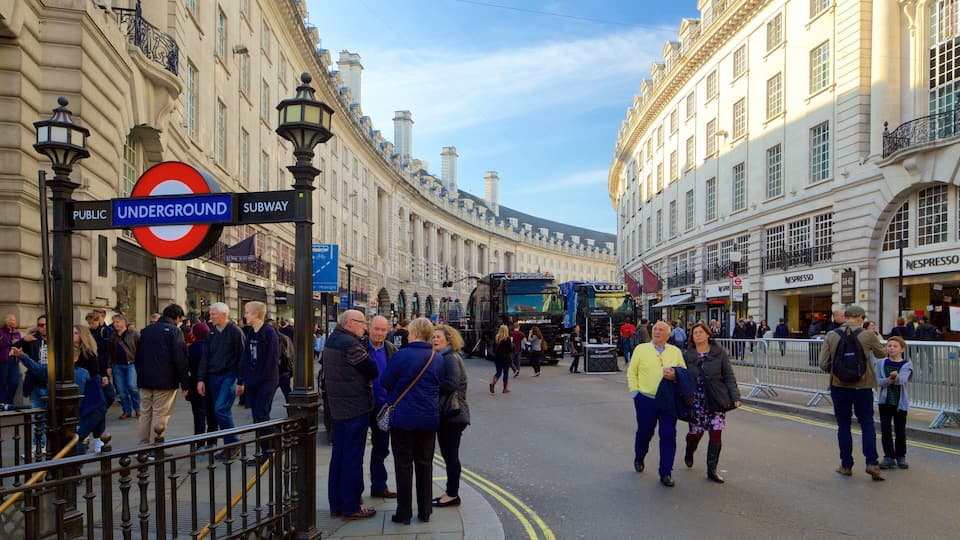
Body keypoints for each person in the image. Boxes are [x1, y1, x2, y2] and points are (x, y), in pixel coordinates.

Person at [380, 317, 443, 525]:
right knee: (425, 464)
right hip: (428, 419)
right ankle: (425, 511)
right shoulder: (437, 358)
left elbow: (386, 382)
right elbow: (440, 384)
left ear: (413, 334)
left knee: (403, 465)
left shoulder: (401, 356)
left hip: (403, 419)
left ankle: (404, 513)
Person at [818, 304, 887, 481]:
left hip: (839, 386)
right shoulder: (867, 335)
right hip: (863, 387)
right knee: (867, 424)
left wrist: (838, 373)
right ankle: (872, 463)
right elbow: (881, 354)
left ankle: (846, 465)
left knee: (843, 426)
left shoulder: (831, 335)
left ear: (845, 317)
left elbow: (823, 363)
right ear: (859, 318)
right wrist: (878, 341)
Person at [324, 309, 379, 520]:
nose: (365, 327)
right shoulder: (350, 344)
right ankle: (351, 506)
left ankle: (336, 503)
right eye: (362, 323)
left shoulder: (332, 340)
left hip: (338, 408)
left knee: (338, 457)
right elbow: (372, 370)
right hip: (355, 407)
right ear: (348, 323)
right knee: (352, 458)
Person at [627, 321, 689, 487]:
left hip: (668, 400)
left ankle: (666, 472)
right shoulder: (641, 349)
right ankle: (639, 456)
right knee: (645, 432)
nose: (657, 332)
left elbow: (683, 372)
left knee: (668, 435)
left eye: (661, 330)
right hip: (646, 399)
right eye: (655, 329)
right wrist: (635, 393)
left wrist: (674, 376)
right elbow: (632, 373)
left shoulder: (675, 351)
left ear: (668, 335)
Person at [682, 323, 740, 483]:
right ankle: (689, 450)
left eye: (701, 332)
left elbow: (728, 376)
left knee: (716, 433)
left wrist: (735, 396)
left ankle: (711, 470)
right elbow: (682, 378)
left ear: (708, 334)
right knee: (696, 433)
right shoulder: (687, 355)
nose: (698, 335)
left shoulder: (719, 352)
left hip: (714, 398)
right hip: (696, 400)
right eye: (695, 333)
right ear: (692, 337)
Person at [134, 304, 189, 449]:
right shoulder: (174, 332)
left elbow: (138, 356)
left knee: (145, 413)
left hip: (145, 379)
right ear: (177, 318)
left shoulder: (146, 330)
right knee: (160, 414)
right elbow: (180, 358)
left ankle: (142, 446)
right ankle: (155, 448)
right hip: (165, 380)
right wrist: (185, 383)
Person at [197, 302, 245, 459]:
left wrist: (241, 381)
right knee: (221, 411)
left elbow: (242, 357)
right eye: (210, 314)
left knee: (220, 409)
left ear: (224, 314)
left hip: (229, 375)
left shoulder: (235, 332)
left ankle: (233, 442)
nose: (210, 317)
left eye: (213, 314)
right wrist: (201, 379)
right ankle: (229, 445)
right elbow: (205, 357)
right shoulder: (211, 334)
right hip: (213, 376)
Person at [432, 324, 470, 509]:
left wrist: (430, 385)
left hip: (452, 414)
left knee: (451, 456)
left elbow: (451, 384)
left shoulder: (449, 358)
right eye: (433, 336)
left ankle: (452, 494)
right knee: (449, 456)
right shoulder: (445, 356)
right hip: (450, 414)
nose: (435, 339)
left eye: (438, 336)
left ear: (449, 339)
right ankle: (450, 492)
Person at [241, 301, 280, 460]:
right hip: (253, 381)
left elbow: (272, 360)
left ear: (256, 314)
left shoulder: (269, 332)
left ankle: (270, 449)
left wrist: (257, 379)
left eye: (247, 312)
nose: (245, 315)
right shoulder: (250, 332)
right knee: (258, 416)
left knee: (261, 415)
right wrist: (245, 379)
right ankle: (267, 450)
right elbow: (247, 357)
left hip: (266, 381)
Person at [365, 315, 398, 498]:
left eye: (383, 330)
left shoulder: (391, 350)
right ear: (369, 328)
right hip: (362, 405)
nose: (379, 333)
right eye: (376, 329)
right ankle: (354, 491)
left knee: (382, 447)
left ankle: (379, 486)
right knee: (356, 449)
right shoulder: (360, 347)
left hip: (383, 407)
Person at [875, 336, 913, 470]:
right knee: (885, 430)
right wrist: (889, 379)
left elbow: (902, 380)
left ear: (902, 349)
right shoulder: (881, 363)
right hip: (885, 402)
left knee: (900, 430)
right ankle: (888, 457)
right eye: (889, 345)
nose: (891, 348)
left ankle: (901, 456)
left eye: (895, 346)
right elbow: (878, 381)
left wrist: (895, 378)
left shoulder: (906, 364)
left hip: (899, 402)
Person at [17, 315, 49, 449]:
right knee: (37, 417)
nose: (43, 328)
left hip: (51, 383)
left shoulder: (59, 338)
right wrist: (24, 339)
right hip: (35, 382)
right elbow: (15, 348)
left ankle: (49, 445)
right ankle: (38, 445)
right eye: (40, 325)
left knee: (50, 417)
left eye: (45, 325)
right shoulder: (33, 339)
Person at [186, 321, 217, 439]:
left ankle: (199, 442)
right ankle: (212, 441)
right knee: (212, 414)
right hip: (212, 383)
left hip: (195, 383)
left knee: (198, 415)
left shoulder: (191, 348)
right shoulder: (212, 347)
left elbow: (187, 367)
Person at [107, 314, 141, 419]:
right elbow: (109, 352)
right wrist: (109, 366)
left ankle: (138, 408)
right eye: (114, 322)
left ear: (123, 322)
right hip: (117, 365)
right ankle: (126, 410)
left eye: (117, 322)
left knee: (132, 386)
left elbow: (140, 349)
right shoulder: (113, 336)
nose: (115, 324)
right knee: (121, 390)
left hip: (131, 364)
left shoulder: (134, 334)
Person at [0, 314, 22, 404]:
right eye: (13, 320)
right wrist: (10, 342)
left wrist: (18, 344)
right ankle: (2, 402)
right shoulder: (1, 332)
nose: (15, 321)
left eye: (15, 320)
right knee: (2, 382)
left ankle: (8, 401)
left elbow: (20, 344)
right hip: (3, 361)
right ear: (7, 322)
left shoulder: (17, 333)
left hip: (14, 360)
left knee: (15, 382)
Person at [490, 325, 513, 393]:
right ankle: (505, 388)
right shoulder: (507, 339)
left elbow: (494, 349)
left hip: (497, 358)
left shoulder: (497, 338)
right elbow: (509, 349)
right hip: (505, 358)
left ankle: (493, 383)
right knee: (505, 373)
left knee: (498, 372)